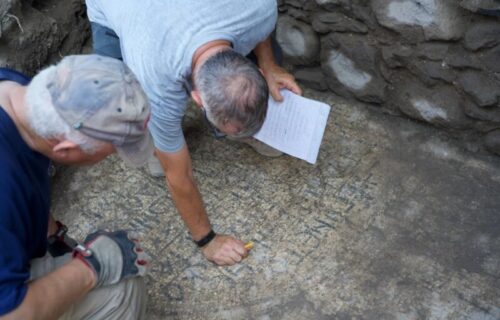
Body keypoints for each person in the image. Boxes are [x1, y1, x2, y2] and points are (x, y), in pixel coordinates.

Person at [85, 0, 303, 266]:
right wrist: (207, 241)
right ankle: (151, 138)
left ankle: (237, 126)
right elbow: (179, 175)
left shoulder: (259, 10)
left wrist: (270, 65)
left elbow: (261, 34)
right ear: (197, 99)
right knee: (124, 100)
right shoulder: (154, 77)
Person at [0, 54, 153, 320]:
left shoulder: (17, 91)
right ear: (65, 149)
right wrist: (92, 268)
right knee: (123, 290)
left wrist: (53, 235)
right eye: (111, 151)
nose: (113, 155)